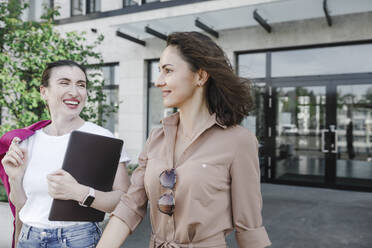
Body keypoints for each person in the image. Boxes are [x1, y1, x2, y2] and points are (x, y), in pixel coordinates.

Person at [97, 32, 271, 248]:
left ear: (200, 76)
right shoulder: (156, 138)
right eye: (159, 71)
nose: (158, 82)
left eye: (168, 71)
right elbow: (130, 206)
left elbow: (250, 229)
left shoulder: (238, 141)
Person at [0, 60, 131, 248]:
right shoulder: (27, 141)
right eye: (64, 83)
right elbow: (22, 205)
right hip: (29, 238)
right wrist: (14, 179)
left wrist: (79, 192)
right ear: (44, 91)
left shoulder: (102, 138)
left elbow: (124, 200)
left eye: (81, 85)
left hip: (78, 239)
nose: (75, 92)